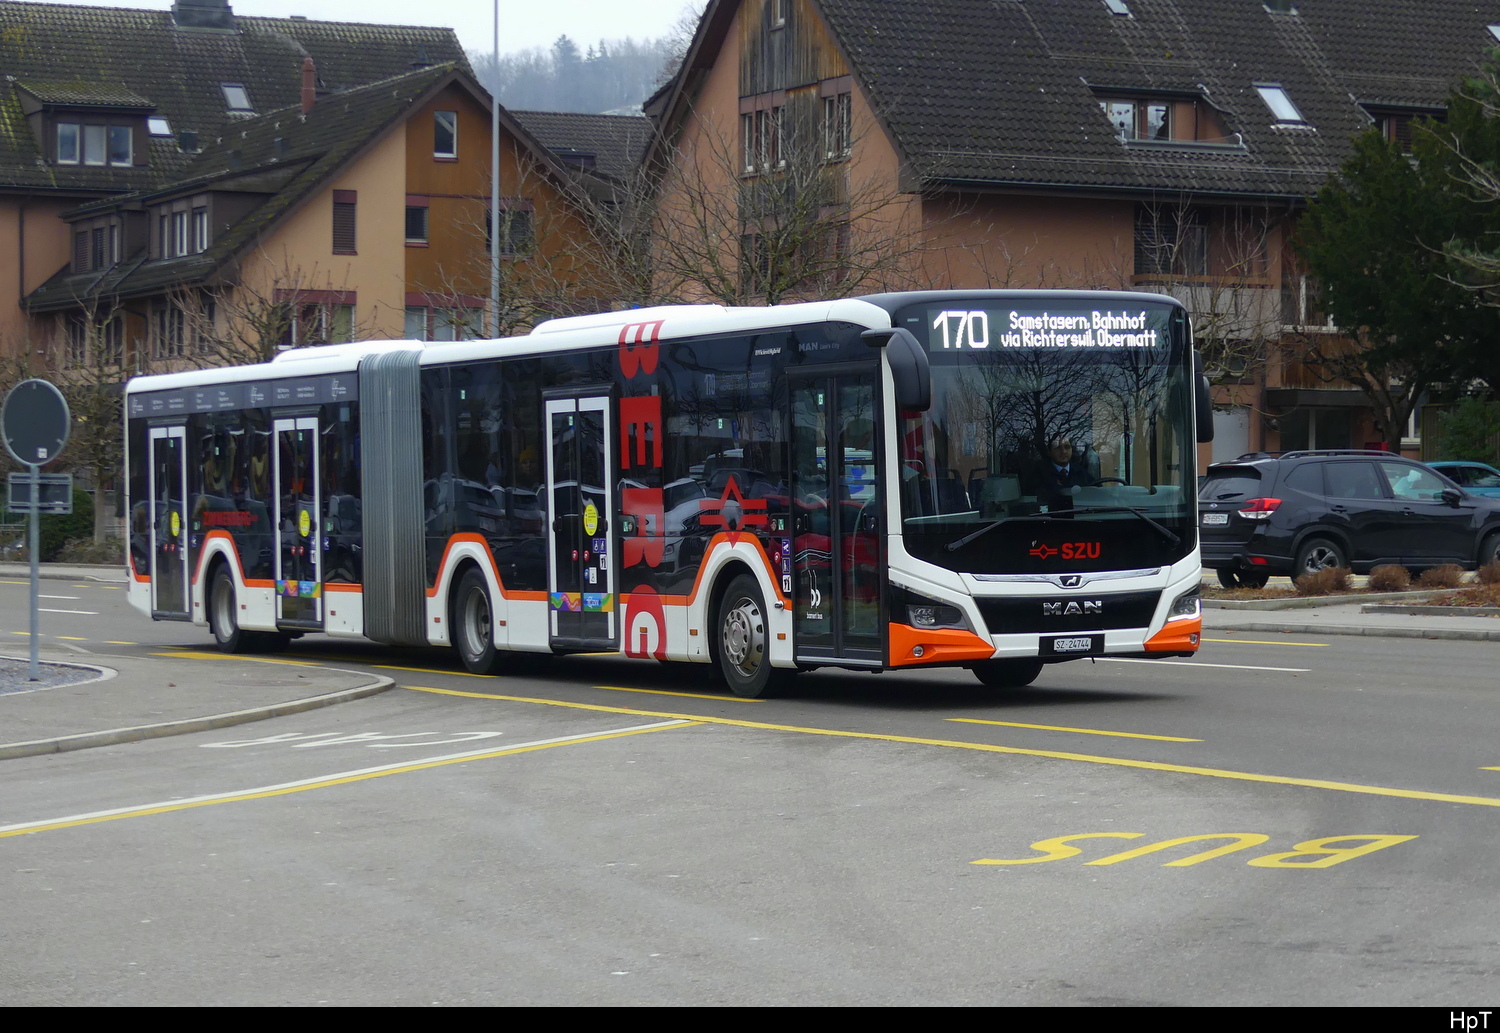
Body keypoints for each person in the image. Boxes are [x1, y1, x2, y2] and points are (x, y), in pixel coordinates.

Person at [1030, 435, 1094, 509]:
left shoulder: (1081, 472)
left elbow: (1098, 494)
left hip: (1082, 516)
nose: (1063, 452)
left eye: (1067, 447)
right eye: (1057, 447)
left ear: (1071, 450)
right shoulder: (1040, 475)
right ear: (1049, 452)